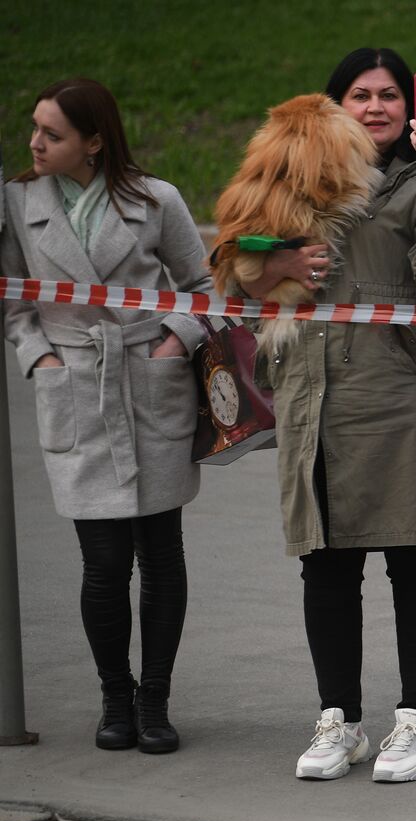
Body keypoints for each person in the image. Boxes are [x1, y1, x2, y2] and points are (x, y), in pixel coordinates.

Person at [234, 48, 416, 783]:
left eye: (391, 96)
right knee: (327, 566)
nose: (376, 107)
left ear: (412, 109)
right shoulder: (291, 173)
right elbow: (234, 260)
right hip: (313, 393)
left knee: (413, 557)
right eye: (360, 95)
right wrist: (273, 266)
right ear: (333, 103)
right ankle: (338, 718)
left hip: (401, 396)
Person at [1, 79, 212, 754]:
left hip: (151, 388)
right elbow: (13, 306)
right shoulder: (16, 204)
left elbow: (207, 288)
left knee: (162, 555)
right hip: (77, 390)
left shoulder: (156, 200)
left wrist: (177, 336)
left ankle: (155, 699)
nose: (35, 143)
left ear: (94, 141)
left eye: (52, 134)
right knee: (102, 563)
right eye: (34, 129)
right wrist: (43, 362)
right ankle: (114, 697)